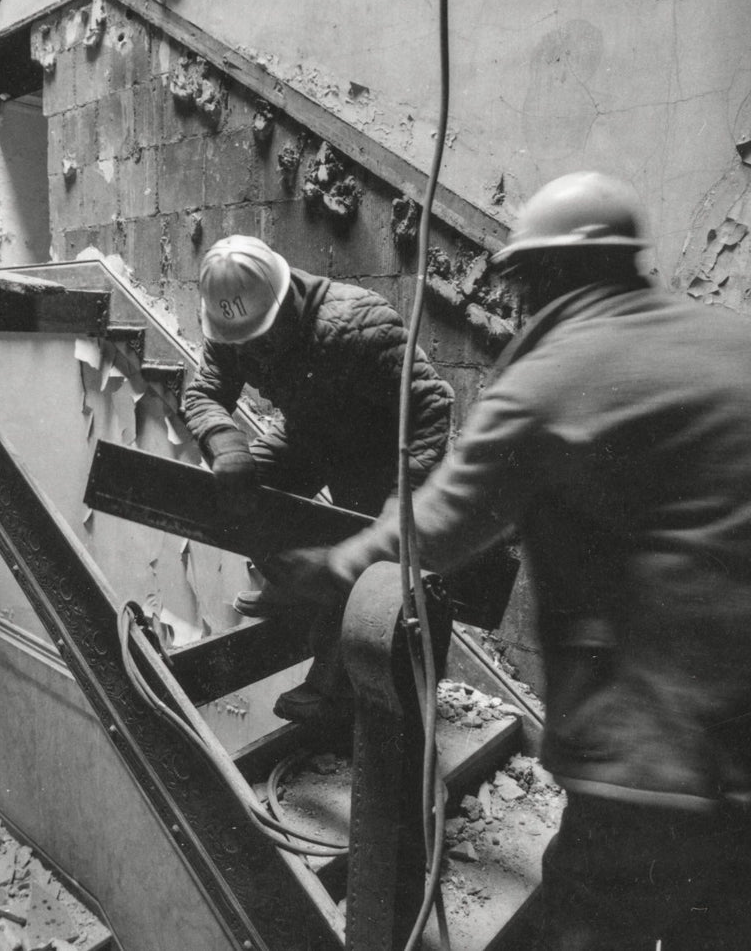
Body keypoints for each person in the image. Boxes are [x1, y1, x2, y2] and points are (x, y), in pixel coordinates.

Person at [262, 172, 751, 950]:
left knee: (590, 927)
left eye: (524, 281)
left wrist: (329, 567)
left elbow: (444, 523)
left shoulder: (556, 376)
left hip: (649, 756)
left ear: (551, 273)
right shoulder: (728, 340)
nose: (520, 302)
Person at [181, 234, 453, 725]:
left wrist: (402, 499)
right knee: (232, 490)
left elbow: (432, 404)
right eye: (240, 342)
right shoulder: (235, 326)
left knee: (365, 556)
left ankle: (337, 685)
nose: (252, 353)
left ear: (283, 302)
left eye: (260, 339)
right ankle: (288, 582)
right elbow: (204, 392)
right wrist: (225, 442)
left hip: (376, 454)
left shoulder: (359, 323)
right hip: (309, 437)